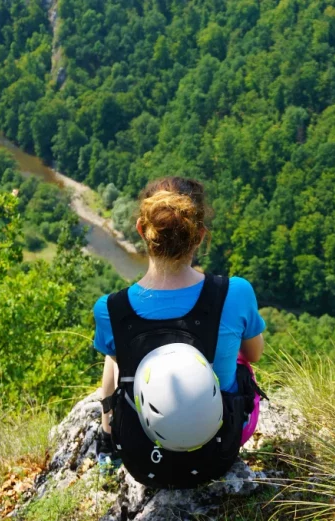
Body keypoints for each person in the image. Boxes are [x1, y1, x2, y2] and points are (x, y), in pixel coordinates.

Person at [91, 177, 266, 488]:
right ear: (199, 236)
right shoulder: (235, 292)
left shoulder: (110, 308)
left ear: (142, 230)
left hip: (144, 462)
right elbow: (254, 355)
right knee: (236, 356)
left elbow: (120, 370)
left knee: (115, 355)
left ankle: (107, 438)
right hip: (217, 455)